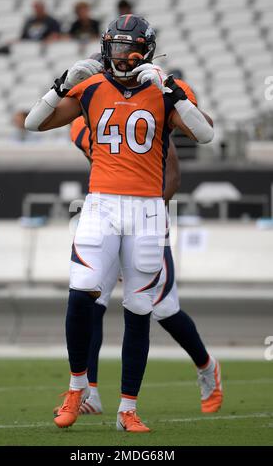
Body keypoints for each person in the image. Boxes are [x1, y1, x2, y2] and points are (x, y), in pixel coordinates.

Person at [25, 14, 215, 432]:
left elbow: (205, 135)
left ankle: (127, 408)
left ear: (145, 51)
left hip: (147, 209)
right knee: (81, 295)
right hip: (102, 205)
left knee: (140, 310)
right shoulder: (92, 86)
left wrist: (167, 88)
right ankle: (79, 387)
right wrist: (60, 83)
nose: (120, 58)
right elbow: (33, 123)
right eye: (113, 48)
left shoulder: (168, 90)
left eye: (128, 50)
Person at [70, 94, 222, 417]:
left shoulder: (147, 117)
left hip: (145, 222)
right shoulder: (83, 122)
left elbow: (174, 176)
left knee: (163, 309)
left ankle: (207, 366)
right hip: (107, 221)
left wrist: (141, 220)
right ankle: (91, 391)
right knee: (91, 300)